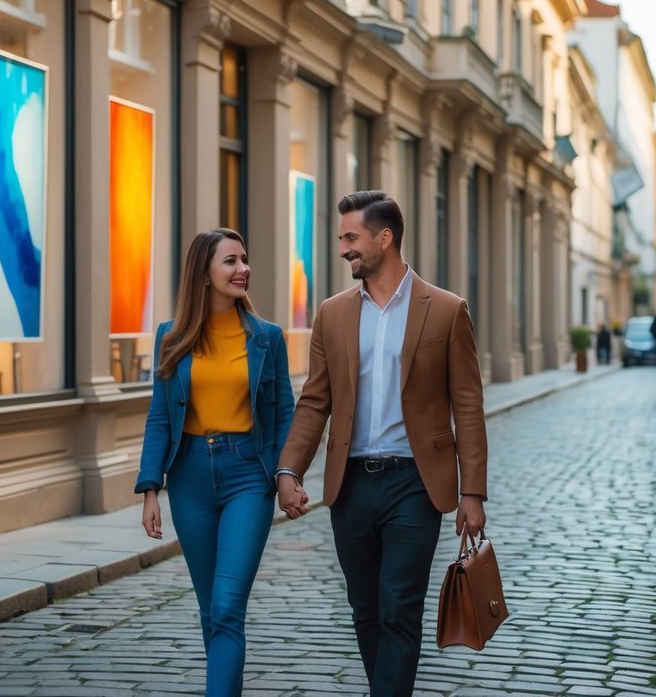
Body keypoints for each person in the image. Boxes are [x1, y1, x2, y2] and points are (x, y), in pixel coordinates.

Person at [275, 191, 488, 696]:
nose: (343, 248)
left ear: (384, 238)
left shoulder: (446, 310)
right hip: (350, 485)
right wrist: (289, 471)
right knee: (365, 609)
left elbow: (468, 406)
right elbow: (314, 401)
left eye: (351, 237)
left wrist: (472, 492)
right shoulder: (332, 314)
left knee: (398, 606)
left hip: (415, 483)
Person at [135, 228, 295, 697]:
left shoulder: (268, 338)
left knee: (227, 606)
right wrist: (150, 489)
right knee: (211, 610)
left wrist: (287, 474)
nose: (242, 268)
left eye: (244, 260)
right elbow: (160, 417)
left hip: (248, 474)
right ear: (203, 273)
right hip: (188, 479)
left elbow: (284, 410)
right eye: (230, 261)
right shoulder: (171, 336)